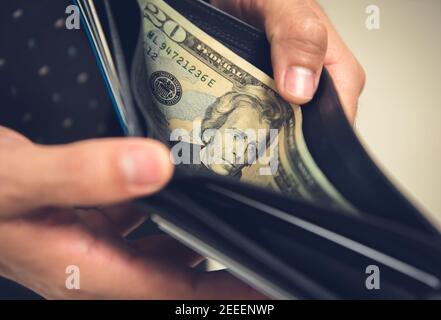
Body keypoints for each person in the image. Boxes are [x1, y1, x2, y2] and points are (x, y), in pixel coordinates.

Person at [0, 0, 365, 299]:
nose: (240, 150)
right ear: (210, 131)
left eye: (249, 145)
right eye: (236, 138)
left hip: (166, 213)